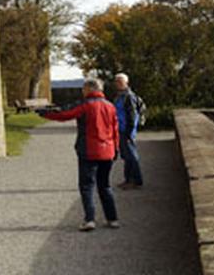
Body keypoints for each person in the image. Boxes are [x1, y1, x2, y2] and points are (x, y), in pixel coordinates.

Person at [39, 78, 120, 231]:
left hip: (89, 150)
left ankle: (90, 219)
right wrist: (116, 149)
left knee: (87, 186)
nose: (82, 91)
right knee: (105, 186)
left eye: (83, 88)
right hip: (107, 150)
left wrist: (46, 114)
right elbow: (115, 130)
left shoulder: (86, 105)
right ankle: (112, 218)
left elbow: (65, 115)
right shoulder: (110, 106)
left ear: (89, 89)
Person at [114, 73, 143, 189]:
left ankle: (136, 180)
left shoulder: (128, 97)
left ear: (126, 82)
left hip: (126, 131)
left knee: (131, 155)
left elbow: (132, 115)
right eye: (116, 81)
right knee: (126, 156)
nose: (118, 84)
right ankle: (128, 179)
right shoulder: (119, 96)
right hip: (121, 129)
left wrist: (129, 132)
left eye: (120, 81)